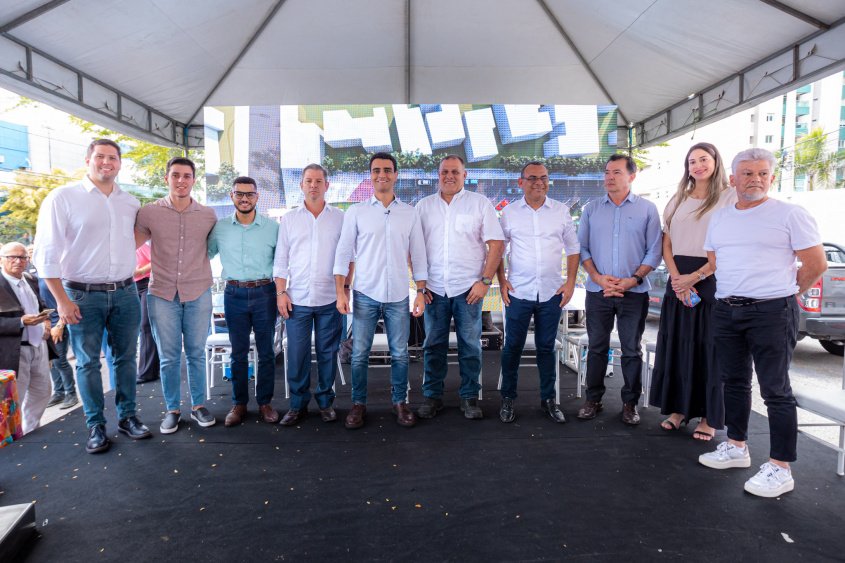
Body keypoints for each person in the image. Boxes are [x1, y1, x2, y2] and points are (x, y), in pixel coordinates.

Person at [698, 148, 827, 498]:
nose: (755, 179)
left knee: (775, 390)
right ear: (733, 179)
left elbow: (816, 264)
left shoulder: (790, 214)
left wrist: (786, 292)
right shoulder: (720, 218)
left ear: (771, 177)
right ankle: (736, 446)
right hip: (727, 310)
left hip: (772, 312)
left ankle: (780, 467)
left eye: (763, 173)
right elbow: (715, 260)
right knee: (734, 382)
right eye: (748, 173)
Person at [34, 139, 150, 453]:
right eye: (100, 156)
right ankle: (96, 425)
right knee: (87, 363)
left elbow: (131, 240)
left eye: (113, 157)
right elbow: (46, 253)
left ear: (120, 163)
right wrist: (62, 300)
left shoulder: (130, 202)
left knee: (126, 359)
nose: (106, 162)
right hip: (81, 294)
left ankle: (127, 417)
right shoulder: (63, 197)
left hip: (126, 291)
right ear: (88, 160)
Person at [333, 152, 428, 429]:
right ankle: (358, 404)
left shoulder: (409, 213)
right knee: (359, 354)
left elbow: (418, 254)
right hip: (365, 293)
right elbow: (343, 253)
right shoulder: (356, 212)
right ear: (370, 175)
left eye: (387, 170)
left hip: (398, 294)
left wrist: (420, 291)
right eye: (376, 170)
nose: (382, 175)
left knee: (400, 353)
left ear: (396, 175)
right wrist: (341, 291)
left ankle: (400, 402)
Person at [649, 143, 736, 440]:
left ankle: (709, 417)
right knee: (678, 347)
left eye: (703, 159)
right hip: (678, 280)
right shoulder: (677, 199)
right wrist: (677, 279)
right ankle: (678, 410)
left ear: (716, 161)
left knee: (709, 350)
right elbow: (667, 243)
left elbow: (729, 246)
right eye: (692, 161)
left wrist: (695, 277)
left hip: (713, 279)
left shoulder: (730, 197)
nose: (698, 165)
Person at [415, 155, 504, 420]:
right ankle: (432, 397)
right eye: (444, 172)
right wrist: (421, 285)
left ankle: (469, 398)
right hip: (434, 290)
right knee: (433, 345)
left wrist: (485, 281)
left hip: (469, 290)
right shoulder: (423, 206)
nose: (449, 176)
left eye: (455, 171)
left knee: (470, 346)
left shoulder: (480, 204)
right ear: (438, 175)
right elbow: (413, 248)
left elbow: (496, 244)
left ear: (465, 175)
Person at [576, 154, 662, 425]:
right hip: (598, 291)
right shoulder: (591, 209)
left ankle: (629, 404)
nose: (609, 177)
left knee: (631, 350)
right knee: (597, 347)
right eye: (606, 172)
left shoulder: (647, 209)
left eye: (616, 172)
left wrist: (632, 280)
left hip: (633, 293)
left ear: (631, 176)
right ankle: (593, 400)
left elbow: (654, 251)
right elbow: (582, 248)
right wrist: (598, 278)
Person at [135, 157, 218, 434]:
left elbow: (214, 248)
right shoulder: (149, 212)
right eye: (175, 175)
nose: (181, 180)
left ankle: (198, 406)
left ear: (194, 180)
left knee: (196, 353)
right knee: (168, 356)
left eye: (186, 176)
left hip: (198, 291)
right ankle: (172, 409)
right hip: (162, 293)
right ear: (166, 178)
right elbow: (127, 245)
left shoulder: (208, 215)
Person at [497, 162, 580, 423]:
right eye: (532, 178)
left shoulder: (561, 211)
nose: (538, 183)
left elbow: (573, 248)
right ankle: (508, 399)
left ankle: (548, 400)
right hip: (518, 292)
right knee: (513, 347)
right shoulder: (509, 213)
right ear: (520, 182)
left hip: (551, 292)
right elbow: (498, 249)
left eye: (543, 178)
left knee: (546, 348)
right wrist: (501, 280)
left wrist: (570, 283)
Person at [274, 164, 345, 425]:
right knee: (297, 355)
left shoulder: (340, 218)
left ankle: (325, 402)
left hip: (330, 299)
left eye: (318, 181)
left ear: (327, 185)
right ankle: (297, 405)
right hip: (297, 300)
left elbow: (348, 257)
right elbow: (281, 260)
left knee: (328, 354)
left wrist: (344, 291)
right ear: (301, 185)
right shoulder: (289, 219)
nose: (313, 185)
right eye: (308, 181)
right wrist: (281, 292)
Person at [208, 176, 280, 427]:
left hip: (265, 293)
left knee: (266, 352)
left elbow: (283, 263)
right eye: (239, 194)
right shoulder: (220, 228)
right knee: (237, 352)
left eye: (250, 194)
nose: (245, 198)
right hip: (234, 294)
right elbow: (204, 254)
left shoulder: (272, 228)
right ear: (232, 196)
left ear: (257, 197)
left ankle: (265, 403)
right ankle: (239, 404)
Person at [0, 242, 52, 434]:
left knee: (42, 392)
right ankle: (15, 437)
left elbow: (40, 305)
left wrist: (47, 322)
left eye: (23, 257)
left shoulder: (30, 279)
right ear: (1, 260)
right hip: (14, 349)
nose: (18, 261)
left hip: (39, 345)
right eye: (12, 257)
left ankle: (30, 431)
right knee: (15, 398)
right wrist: (21, 322)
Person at [40, 274, 78, 410]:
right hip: (46, 325)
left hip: (59, 323)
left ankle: (71, 393)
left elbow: (69, 299)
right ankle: (59, 392)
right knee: (51, 360)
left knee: (59, 361)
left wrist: (60, 325)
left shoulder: (57, 273)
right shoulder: (32, 275)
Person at [134, 241, 160, 384]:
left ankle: (147, 372)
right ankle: (150, 369)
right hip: (132, 285)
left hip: (147, 283)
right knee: (143, 327)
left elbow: (158, 260)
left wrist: (141, 271)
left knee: (146, 326)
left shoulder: (142, 242)